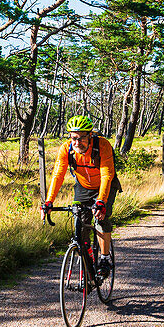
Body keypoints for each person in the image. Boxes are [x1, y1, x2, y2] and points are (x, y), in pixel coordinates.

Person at [41, 115, 118, 277]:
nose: (77, 142)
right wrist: (49, 201)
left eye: (81, 138)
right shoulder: (66, 149)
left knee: (101, 218)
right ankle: (87, 256)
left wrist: (101, 202)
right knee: (80, 223)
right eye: (73, 138)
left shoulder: (102, 145)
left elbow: (106, 175)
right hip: (83, 186)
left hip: (106, 185)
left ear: (90, 135)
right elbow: (58, 175)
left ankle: (104, 259)